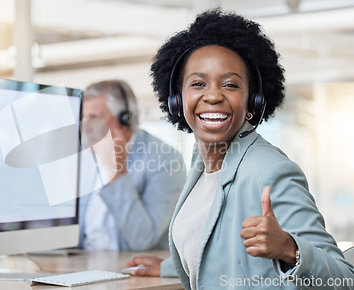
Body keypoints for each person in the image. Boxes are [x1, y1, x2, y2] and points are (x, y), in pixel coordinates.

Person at [125, 9, 354, 289]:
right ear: (177, 99)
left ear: (252, 101)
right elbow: (219, 246)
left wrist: (289, 249)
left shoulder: (270, 170)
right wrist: (169, 266)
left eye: (230, 84)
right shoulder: (202, 164)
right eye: (198, 83)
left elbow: (345, 278)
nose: (212, 95)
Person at [77, 79, 187, 251]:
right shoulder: (85, 157)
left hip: (133, 269)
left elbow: (143, 239)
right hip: (83, 264)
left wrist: (117, 171)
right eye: (84, 118)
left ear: (125, 118)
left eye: (94, 117)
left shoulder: (166, 160)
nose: (85, 127)